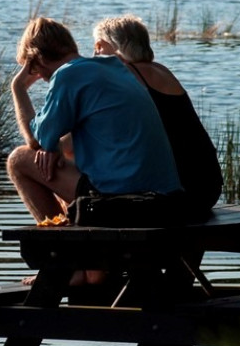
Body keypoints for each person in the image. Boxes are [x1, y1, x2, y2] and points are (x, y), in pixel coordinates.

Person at [7, 17, 183, 285]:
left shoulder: (68, 75)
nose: (41, 79)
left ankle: (68, 264)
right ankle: (88, 266)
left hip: (126, 201)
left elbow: (35, 141)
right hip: (166, 200)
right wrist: (53, 146)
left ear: (36, 61)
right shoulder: (114, 67)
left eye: (34, 70)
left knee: (19, 160)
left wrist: (18, 88)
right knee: (66, 161)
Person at [92, 14, 222, 218]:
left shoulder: (124, 75)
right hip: (207, 187)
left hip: (175, 194)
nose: (95, 53)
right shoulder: (161, 70)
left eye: (97, 47)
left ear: (103, 45)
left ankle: (71, 239)